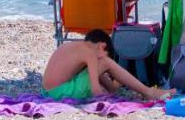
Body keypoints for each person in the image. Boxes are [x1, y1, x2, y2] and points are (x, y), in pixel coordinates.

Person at [41, 29, 174, 101]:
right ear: (102, 46)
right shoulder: (90, 53)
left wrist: (111, 87)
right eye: (105, 53)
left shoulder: (75, 47)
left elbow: (91, 74)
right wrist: (109, 100)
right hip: (61, 91)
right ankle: (149, 92)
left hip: (49, 91)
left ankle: (136, 89)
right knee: (105, 62)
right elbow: (95, 90)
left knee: (101, 63)